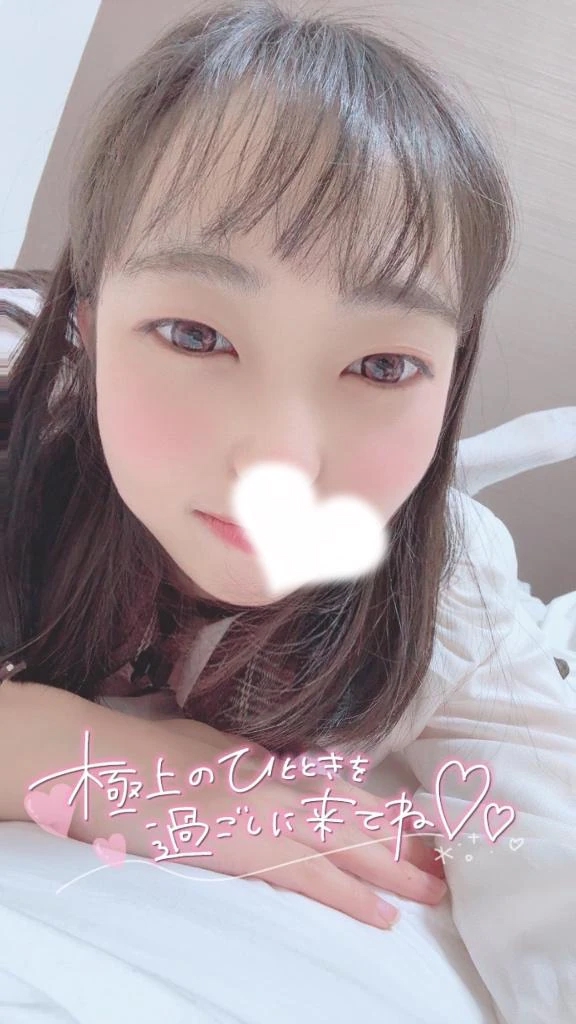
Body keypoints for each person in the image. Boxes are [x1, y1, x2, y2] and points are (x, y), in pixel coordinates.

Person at [1, 2, 574, 1020]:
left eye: (382, 365)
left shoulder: (453, 590)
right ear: (87, 324)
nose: (281, 460)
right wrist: (82, 750)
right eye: (194, 334)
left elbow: (552, 856)